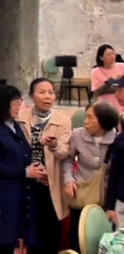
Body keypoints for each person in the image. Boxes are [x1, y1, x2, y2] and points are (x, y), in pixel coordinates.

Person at [0, 86, 41, 254]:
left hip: (17, 194)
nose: (19, 107)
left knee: (11, 242)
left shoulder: (16, 126)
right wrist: (25, 172)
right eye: (15, 103)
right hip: (0, 196)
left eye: (20, 102)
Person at [16, 77, 72, 254]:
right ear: (32, 96)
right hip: (26, 181)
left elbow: (64, 152)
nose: (47, 96)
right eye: (42, 92)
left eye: (51, 92)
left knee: (50, 230)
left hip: (50, 183)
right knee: (29, 231)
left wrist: (54, 145)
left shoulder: (63, 121)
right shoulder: (20, 118)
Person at [63, 101, 119, 250]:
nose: (85, 121)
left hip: (107, 196)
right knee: (77, 234)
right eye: (85, 116)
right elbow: (68, 160)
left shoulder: (117, 140)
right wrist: (69, 180)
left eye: (90, 117)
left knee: (105, 237)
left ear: (104, 120)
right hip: (82, 192)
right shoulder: (77, 135)